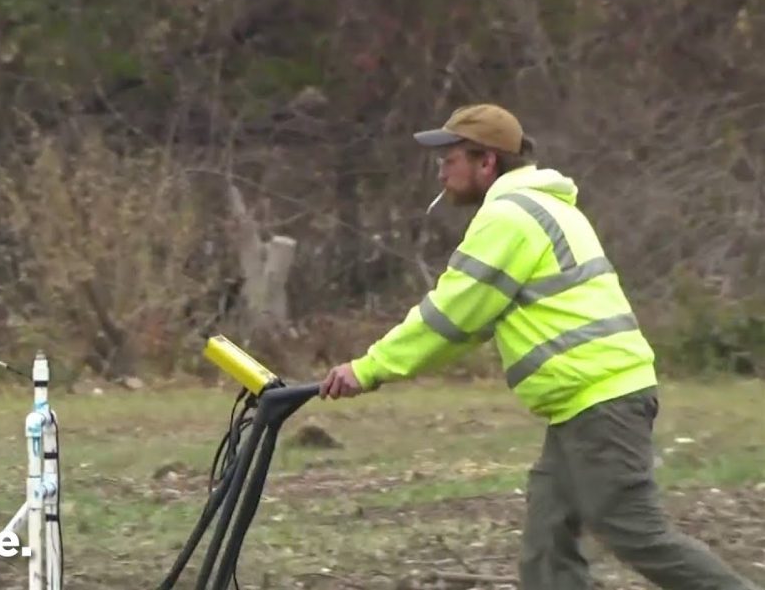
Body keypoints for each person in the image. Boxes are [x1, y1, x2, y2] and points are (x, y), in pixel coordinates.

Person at [318, 103, 761, 590]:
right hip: (584, 401)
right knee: (548, 545)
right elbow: (467, 324)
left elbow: (449, 317)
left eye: (450, 158)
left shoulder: (509, 219)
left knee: (635, 533)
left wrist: (369, 368)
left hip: (600, 401)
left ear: (486, 162)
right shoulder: (544, 207)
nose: (441, 170)